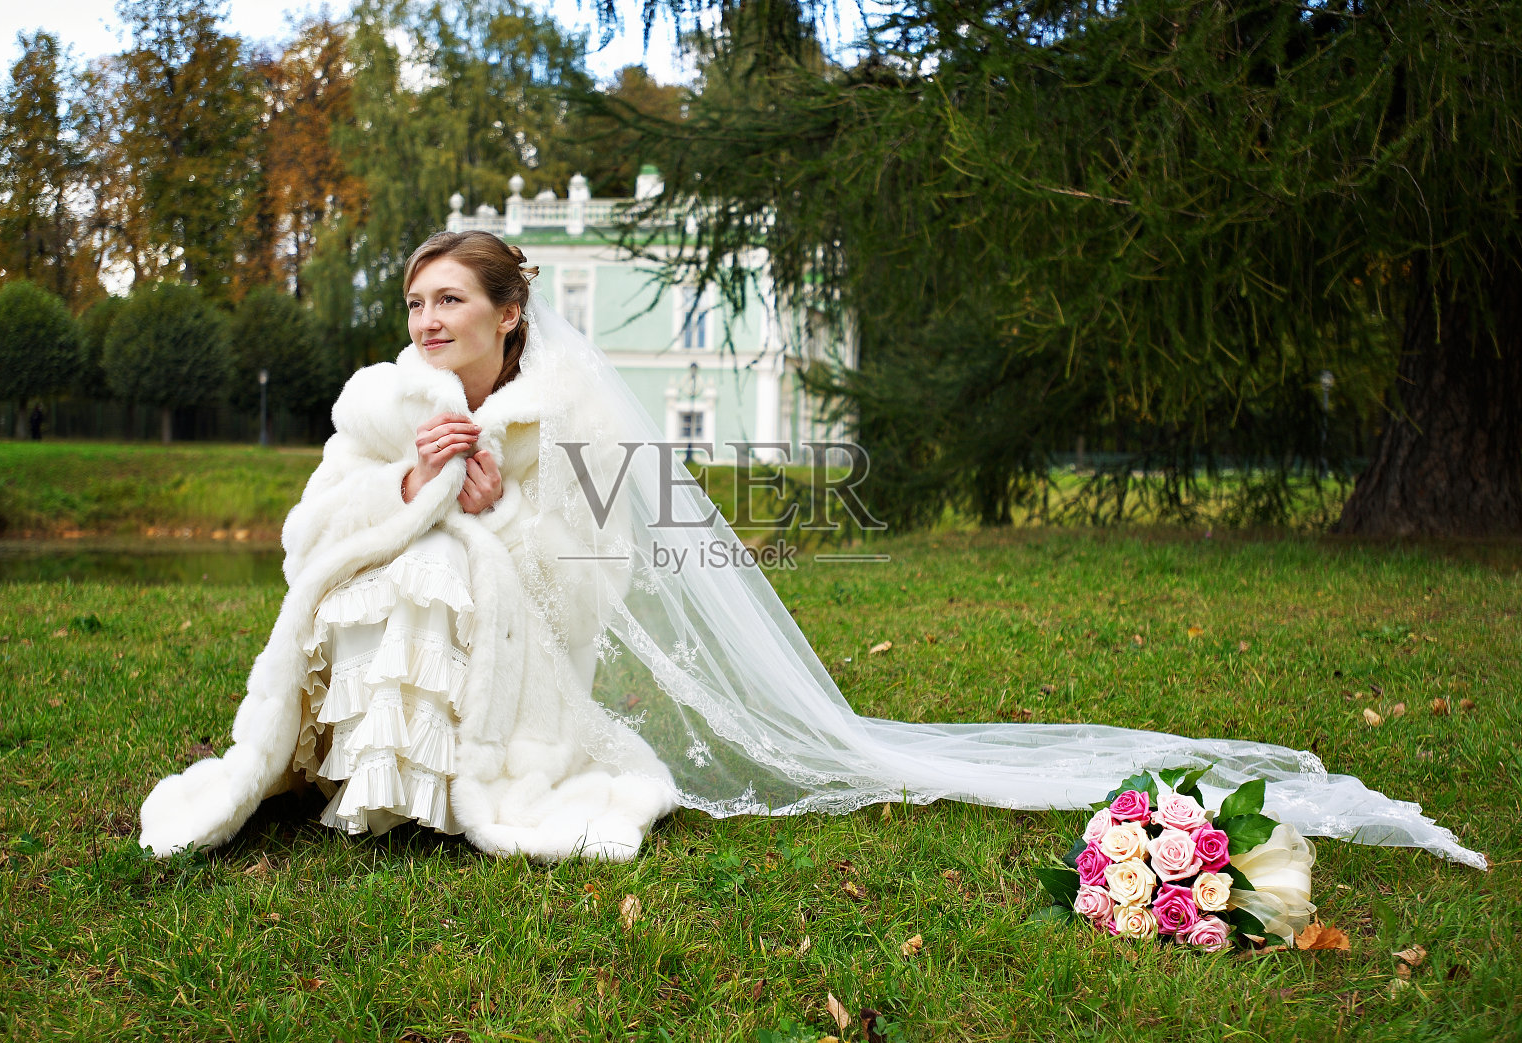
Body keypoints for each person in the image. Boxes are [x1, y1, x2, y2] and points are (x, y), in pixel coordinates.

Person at [140, 230, 1486, 881]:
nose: (429, 319)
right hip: (404, 587)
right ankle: (351, 772)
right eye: (418, 300)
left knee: (451, 571)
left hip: (525, 649)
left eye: (452, 300)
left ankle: (441, 790)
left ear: (506, 313)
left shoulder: (573, 412)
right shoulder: (383, 400)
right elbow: (307, 540)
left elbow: (589, 578)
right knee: (399, 569)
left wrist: (487, 505)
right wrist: (410, 487)